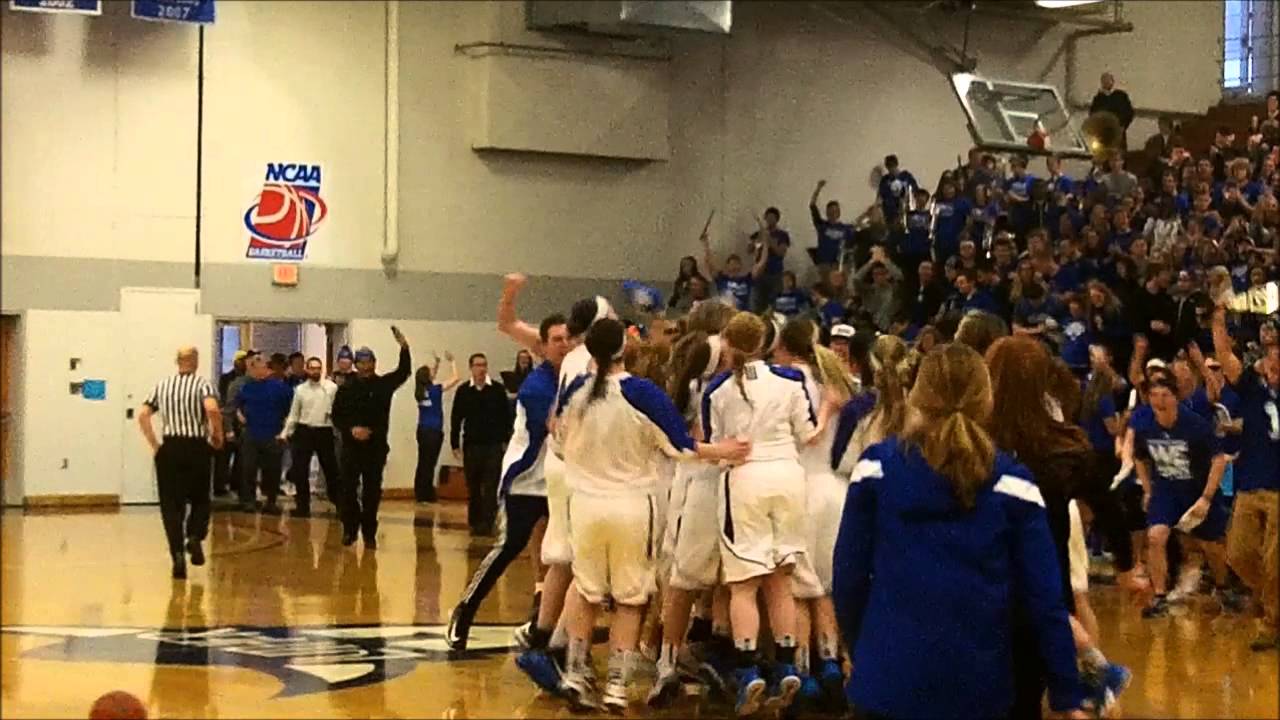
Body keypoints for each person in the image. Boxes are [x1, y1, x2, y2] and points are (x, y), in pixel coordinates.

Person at [832, 343, 1087, 720]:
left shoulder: (877, 469)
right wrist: (1067, 693)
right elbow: (1044, 600)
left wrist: (861, 648)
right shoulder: (1014, 484)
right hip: (979, 688)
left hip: (886, 680)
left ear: (917, 397)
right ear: (987, 401)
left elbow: (848, 577)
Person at [554, 318, 750, 712]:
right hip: (631, 505)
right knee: (630, 598)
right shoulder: (641, 392)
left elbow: (559, 443)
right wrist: (723, 450)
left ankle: (575, 674)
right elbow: (681, 445)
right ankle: (616, 686)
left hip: (584, 504)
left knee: (587, 591)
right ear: (624, 349)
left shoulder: (575, 391)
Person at [705, 312, 818, 716]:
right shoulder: (791, 381)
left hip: (745, 480)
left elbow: (714, 447)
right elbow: (809, 436)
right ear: (767, 343)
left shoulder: (716, 389)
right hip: (789, 476)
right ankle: (787, 664)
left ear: (729, 344)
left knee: (743, 586)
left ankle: (749, 669)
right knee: (781, 581)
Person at [448, 315, 570, 651]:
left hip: (560, 482)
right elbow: (556, 426)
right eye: (555, 340)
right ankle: (465, 610)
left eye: (567, 339)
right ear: (542, 348)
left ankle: (549, 624)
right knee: (509, 548)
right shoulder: (536, 386)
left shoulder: (577, 376)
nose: (563, 345)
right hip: (527, 480)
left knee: (565, 556)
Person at [1133, 371, 1232, 619]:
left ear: (1175, 397)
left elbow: (1219, 459)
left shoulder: (1195, 425)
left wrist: (1207, 498)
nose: (1159, 401)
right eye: (1154, 395)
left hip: (1197, 489)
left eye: (1165, 395)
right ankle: (1159, 595)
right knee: (1156, 537)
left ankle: (1223, 587)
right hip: (1166, 489)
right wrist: (1147, 489)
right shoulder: (1145, 424)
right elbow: (1139, 457)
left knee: (1211, 545)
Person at [1212, 305, 1280, 650]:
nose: (1275, 366)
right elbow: (1224, 356)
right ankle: (1272, 602)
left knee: (1274, 559)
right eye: (1271, 360)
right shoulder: (1252, 387)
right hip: (1250, 483)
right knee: (1237, 554)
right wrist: (1218, 320)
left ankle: (1270, 624)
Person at [136, 346, 224, 580]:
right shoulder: (203, 384)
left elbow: (143, 414)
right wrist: (218, 435)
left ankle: (176, 554)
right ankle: (194, 536)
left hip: (170, 447)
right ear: (194, 361)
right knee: (200, 499)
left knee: (170, 505)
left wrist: (155, 444)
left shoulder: (162, 385)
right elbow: (212, 409)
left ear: (177, 361)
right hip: (196, 446)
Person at [331, 327, 412, 548]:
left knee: (372, 492)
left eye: (369, 363)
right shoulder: (346, 388)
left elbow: (403, 372)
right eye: (362, 363)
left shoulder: (383, 385)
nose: (366, 367)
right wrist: (351, 430)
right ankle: (350, 530)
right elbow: (337, 416)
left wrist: (404, 347)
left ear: (374, 364)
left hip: (375, 447)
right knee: (348, 489)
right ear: (356, 365)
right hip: (351, 447)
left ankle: (369, 533)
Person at [449, 352, 512, 536]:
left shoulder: (498, 390)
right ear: (471, 368)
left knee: (491, 485)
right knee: (473, 485)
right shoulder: (463, 391)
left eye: (484, 365)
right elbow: (456, 418)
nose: (481, 369)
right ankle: (475, 520)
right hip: (472, 445)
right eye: (477, 365)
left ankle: (488, 521)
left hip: (493, 445)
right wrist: (454, 443)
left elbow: (506, 417)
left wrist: (506, 440)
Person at [279, 356, 340, 518]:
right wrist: (286, 433)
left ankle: (340, 504)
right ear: (307, 370)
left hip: (324, 430)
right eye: (312, 368)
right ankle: (302, 506)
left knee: (331, 470)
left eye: (318, 368)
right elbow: (294, 414)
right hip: (304, 430)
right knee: (300, 470)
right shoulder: (300, 390)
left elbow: (338, 411)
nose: (315, 371)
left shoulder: (331, 388)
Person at [233, 353, 293, 515]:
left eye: (252, 366)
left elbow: (291, 411)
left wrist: (284, 432)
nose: (249, 370)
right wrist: (240, 416)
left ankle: (271, 502)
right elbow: (236, 405)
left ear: (264, 367)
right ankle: (249, 501)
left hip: (273, 434)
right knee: (248, 469)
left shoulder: (281, 388)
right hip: (251, 434)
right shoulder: (247, 387)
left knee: (272, 470)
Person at [413, 352, 461, 504]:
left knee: (422, 461)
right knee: (430, 462)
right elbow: (456, 378)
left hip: (422, 430)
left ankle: (420, 492)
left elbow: (431, 375)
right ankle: (427, 494)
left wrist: (437, 363)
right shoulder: (435, 390)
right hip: (433, 431)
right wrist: (452, 362)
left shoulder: (420, 392)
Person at [704, 225, 766, 311]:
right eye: (732, 263)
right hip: (726, 313)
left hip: (742, 315)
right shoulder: (722, 279)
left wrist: (765, 243)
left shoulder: (747, 279)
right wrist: (706, 244)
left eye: (737, 263)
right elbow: (710, 263)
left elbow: (761, 263)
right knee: (727, 297)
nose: (734, 266)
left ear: (741, 265)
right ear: (727, 266)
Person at [214, 350, 249, 498]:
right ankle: (219, 485)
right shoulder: (226, 378)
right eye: (240, 360)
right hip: (228, 419)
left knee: (241, 457)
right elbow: (225, 400)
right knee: (223, 456)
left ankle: (237, 483)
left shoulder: (248, 380)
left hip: (243, 422)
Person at [809, 179, 856, 277]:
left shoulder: (845, 228)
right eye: (830, 211)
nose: (833, 213)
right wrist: (818, 188)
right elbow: (812, 206)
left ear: (839, 212)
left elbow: (857, 224)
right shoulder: (822, 225)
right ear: (827, 212)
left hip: (839, 265)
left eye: (835, 210)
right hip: (825, 265)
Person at [749, 207, 791, 313]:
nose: (769, 220)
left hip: (775, 275)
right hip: (759, 275)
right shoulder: (758, 233)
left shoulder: (782, 235)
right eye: (768, 217)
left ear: (777, 219)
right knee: (757, 306)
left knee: (773, 307)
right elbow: (749, 250)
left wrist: (768, 239)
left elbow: (781, 252)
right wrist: (756, 241)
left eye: (772, 217)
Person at [1089, 72, 1134, 148]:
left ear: (1112, 81)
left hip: (1118, 131)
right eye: (1104, 81)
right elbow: (1093, 115)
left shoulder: (1121, 96)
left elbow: (1129, 113)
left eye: (1108, 80)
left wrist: (1122, 126)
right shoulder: (1098, 99)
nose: (1106, 83)